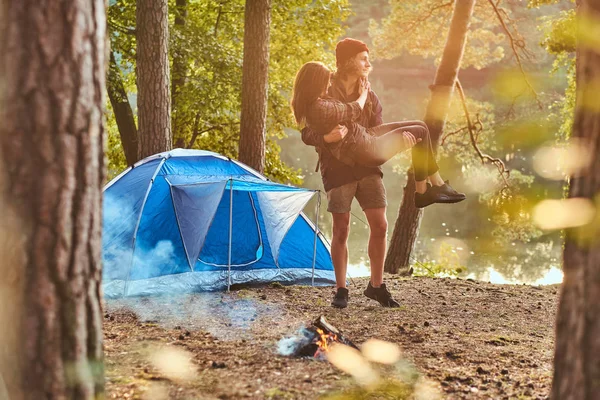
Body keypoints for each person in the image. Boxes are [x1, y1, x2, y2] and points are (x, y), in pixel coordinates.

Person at [299, 38, 464, 309]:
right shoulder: (325, 91)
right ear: (348, 61)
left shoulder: (370, 95)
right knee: (341, 229)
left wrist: (401, 140)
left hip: (367, 166)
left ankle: (376, 286)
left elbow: (375, 131)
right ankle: (341, 289)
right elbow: (307, 131)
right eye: (363, 58)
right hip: (338, 169)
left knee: (381, 225)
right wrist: (325, 138)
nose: (368, 63)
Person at [291, 60, 465, 208]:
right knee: (419, 131)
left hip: (365, 136)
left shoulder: (318, 103)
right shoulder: (320, 107)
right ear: (316, 83)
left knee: (420, 126)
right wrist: (364, 93)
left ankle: (432, 187)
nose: (329, 84)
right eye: (325, 81)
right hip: (366, 149)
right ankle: (425, 191)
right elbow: (353, 109)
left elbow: (310, 132)